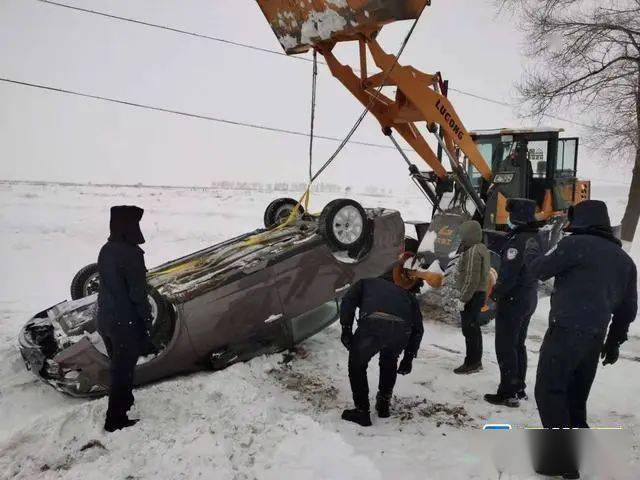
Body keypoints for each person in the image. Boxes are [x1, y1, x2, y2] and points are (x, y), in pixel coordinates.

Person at [525, 200, 637, 429]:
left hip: (565, 332)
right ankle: (577, 448)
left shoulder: (573, 244)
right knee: (576, 397)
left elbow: (540, 269)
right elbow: (628, 309)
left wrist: (532, 249)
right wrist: (614, 341)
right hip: (595, 337)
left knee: (550, 391)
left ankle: (559, 459)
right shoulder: (625, 261)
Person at [97, 205, 153, 432]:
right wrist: (146, 319)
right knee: (123, 371)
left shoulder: (107, 248)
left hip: (106, 319)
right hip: (124, 322)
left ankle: (125, 402)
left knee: (118, 366)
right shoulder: (132, 254)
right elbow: (137, 293)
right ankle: (115, 419)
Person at [340, 275, 424, 427]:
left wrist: (346, 329)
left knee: (357, 364)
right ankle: (383, 404)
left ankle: (361, 411)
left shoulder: (364, 283)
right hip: (400, 330)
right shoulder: (407, 295)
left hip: (373, 323)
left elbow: (348, 301)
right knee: (389, 360)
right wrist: (408, 357)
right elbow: (418, 329)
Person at [484, 199, 541, 407]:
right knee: (518, 344)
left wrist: (495, 294)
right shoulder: (536, 237)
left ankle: (507, 392)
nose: (507, 219)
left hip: (514, 299)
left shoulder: (517, 241)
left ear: (516, 217)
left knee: (506, 345)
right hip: (529, 296)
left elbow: (509, 275)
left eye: (510, 215)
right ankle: (519, 387)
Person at [452, 220, 491, 374]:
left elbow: (471, 278)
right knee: (473, 329)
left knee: (469, 330)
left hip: (472, 295)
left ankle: (471, 363)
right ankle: (475, 361)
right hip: (478, 294)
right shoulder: (481, 248)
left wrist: (463, 299)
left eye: (463, 234)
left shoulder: (473, 252)